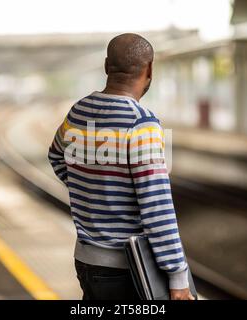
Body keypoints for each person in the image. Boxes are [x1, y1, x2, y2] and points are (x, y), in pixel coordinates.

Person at [48, 33, 194, 300]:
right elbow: (156, 204)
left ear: (106, 66)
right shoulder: (142, 124)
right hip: (128, 269)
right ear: (149, 69)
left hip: (86, 261)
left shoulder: (78, 112)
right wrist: (177, 275)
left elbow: (56, 156)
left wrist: (94, 188)